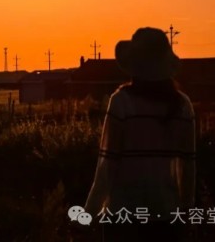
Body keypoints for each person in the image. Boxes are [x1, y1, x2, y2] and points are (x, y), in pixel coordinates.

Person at [84, 27, 196, 242]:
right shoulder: (183, 106)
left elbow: (107, 164)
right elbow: (187, 166)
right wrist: (186, 211)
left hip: (123, 217)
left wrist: (90, 213)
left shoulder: (121, 102)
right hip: (166, 217)